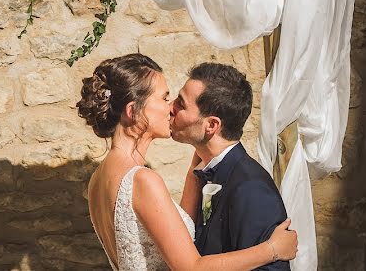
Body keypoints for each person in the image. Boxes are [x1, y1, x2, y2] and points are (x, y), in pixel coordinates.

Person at [77, 53, 297, 271]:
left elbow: (172, 235)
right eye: (164, 98)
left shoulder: (99, 177)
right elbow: (190, 267)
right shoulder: (142, 180)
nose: (171, 106)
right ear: (132, 110)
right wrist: (272, 250)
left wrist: (197, 167)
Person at [169, 62, 291, 270]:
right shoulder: (205, 173)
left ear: (211, 125)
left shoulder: (251, 188)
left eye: (181, 104)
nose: (170, 107)